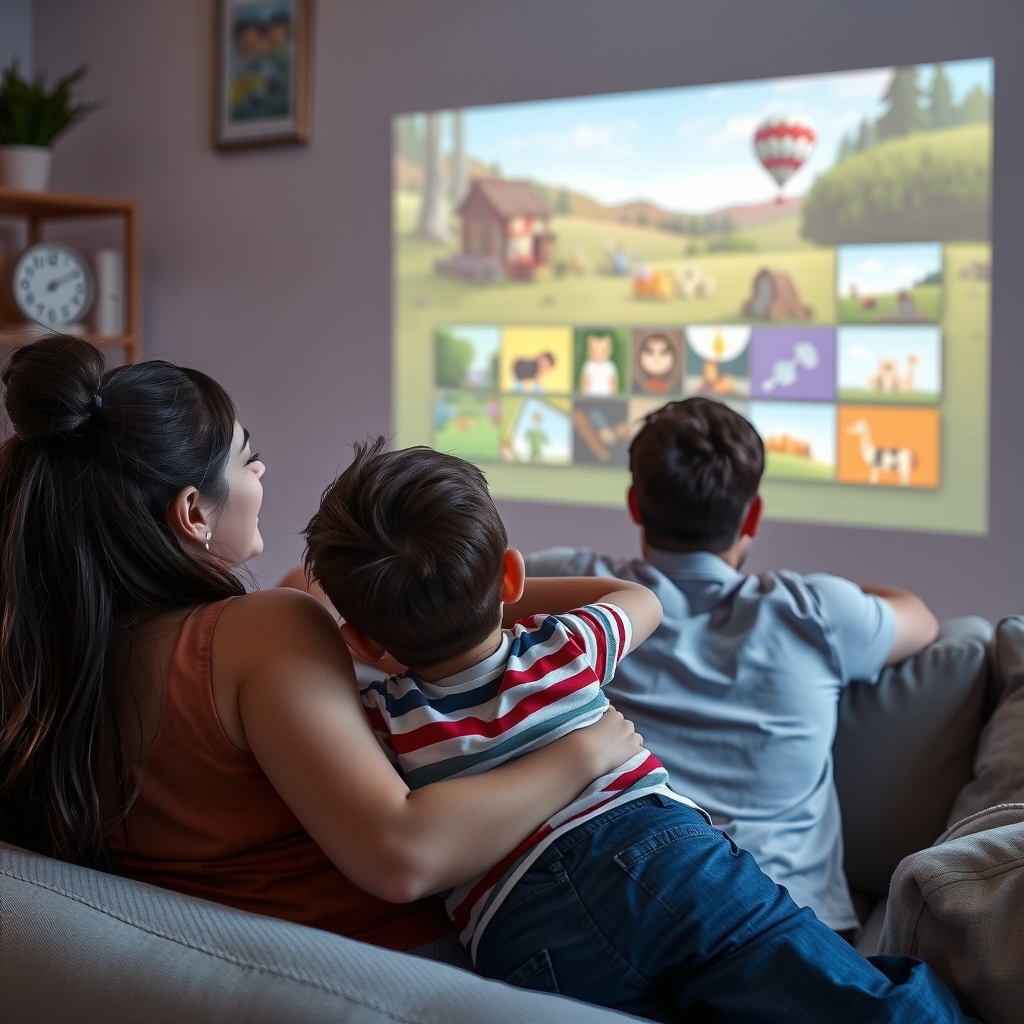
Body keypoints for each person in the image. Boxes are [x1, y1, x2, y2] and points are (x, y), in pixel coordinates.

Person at [0, 335, 642, 958]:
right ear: (193, 512)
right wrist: (588, 749)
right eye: (245, 458)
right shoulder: (263, 629)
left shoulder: (53, 662)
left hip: (244, 965)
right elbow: (402, 856)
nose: (261, 471)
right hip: (400, 960)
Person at [302, 437, 966, 1023]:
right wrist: (498, 591)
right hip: (658, 857)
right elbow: (639, 600)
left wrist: (380, 631)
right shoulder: (563, 647)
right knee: (869, 1006)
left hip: (519, 928)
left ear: (359, 635)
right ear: (511, 573)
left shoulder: (378, 718)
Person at [526, 397, 940, 934]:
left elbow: (475, 595)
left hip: (632, 910)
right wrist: (837, 597)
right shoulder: (818, 610)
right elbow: (921, 619)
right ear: (752, 516)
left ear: (634, 504)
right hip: (790, 919)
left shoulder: (582, 591)